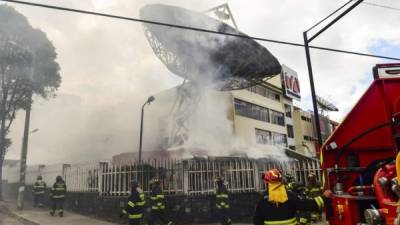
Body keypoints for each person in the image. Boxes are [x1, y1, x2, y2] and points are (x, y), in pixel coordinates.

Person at [253, 169, 324, 225]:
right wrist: (324, 197)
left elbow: (257, 220)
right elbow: (308, 205)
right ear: (281, 181)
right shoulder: (290, 196)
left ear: (266, 183)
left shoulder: (262, 200)